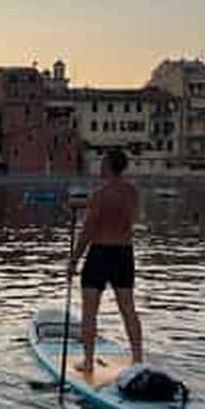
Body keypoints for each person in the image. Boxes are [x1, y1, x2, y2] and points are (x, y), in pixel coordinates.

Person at [68, 148, 143, 373]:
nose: (99, 166)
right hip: (124, 253)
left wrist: (74, 260)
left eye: (102, 163)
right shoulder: (132, 191)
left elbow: (88, 230)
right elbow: (123, 213)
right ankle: (138, 359)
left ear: (109, 165)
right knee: (128, 309)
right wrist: (83, 204)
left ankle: (89, 362)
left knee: (90, 311)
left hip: (100, 253)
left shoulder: (100, 194)